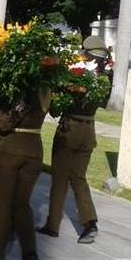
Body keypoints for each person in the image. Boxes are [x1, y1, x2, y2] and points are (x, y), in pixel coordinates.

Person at [38, 36, 112, 244]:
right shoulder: (104, 81)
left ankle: (52, 225)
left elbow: (56, 109)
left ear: (87, 54)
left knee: (60, 178)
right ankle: (90, 224)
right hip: (89, 131)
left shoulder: (76, 78)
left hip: (70, 128)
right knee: (78, 178)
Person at [0, 81, 53, 260]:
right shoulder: (45, 88)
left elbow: (6, 123)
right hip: (34, 149)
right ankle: (30, 253)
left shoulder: (24, 89)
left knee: (3, 203)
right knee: (22, 204)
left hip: (11, 148)